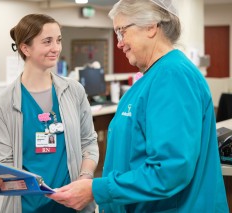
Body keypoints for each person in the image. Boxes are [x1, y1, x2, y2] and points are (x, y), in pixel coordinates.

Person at [48, 0, 229, 212]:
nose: (119, 43)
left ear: (151, 26)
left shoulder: (172, 77)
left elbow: (169, 170)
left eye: (122, 32)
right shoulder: (153, 77)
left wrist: (96, 190)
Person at [0, 13, 99, 213]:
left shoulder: (73, 91)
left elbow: (89, 142)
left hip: (73, 204)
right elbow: (3, 163)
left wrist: (84, 179)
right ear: (25, 48)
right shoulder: (4, 103)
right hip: (27, 206)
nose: (56, 48)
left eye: (58, 40)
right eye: (47, 41)